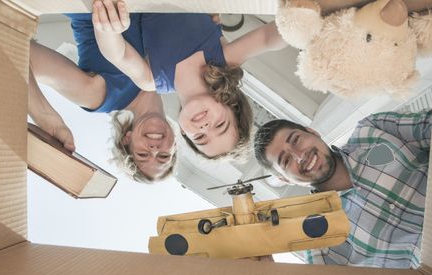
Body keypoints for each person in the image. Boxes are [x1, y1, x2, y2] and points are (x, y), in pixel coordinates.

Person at [92, 0, 287, 160]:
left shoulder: (151, 80)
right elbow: (267, 39)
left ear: (184, 133)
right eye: (220, 125)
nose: (205, 127)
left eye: (200, 137)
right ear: (231, 105)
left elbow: (118, 54)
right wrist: (307, 25)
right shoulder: (222, 60)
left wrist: (108, 29)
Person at [254, 110, 432, 268]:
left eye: (296, 140)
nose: (300, 156)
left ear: (312, 132)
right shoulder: (317, 241)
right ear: (284, 179)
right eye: (286, 161)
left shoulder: (372, 129)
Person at [29, 12, 175, 183]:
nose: (154, 149)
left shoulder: (100, 97)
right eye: (164, 156)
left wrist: (47, 119)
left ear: (127, 138)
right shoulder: (172, 75)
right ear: (174, 144)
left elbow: (22, 54)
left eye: (143, 154)